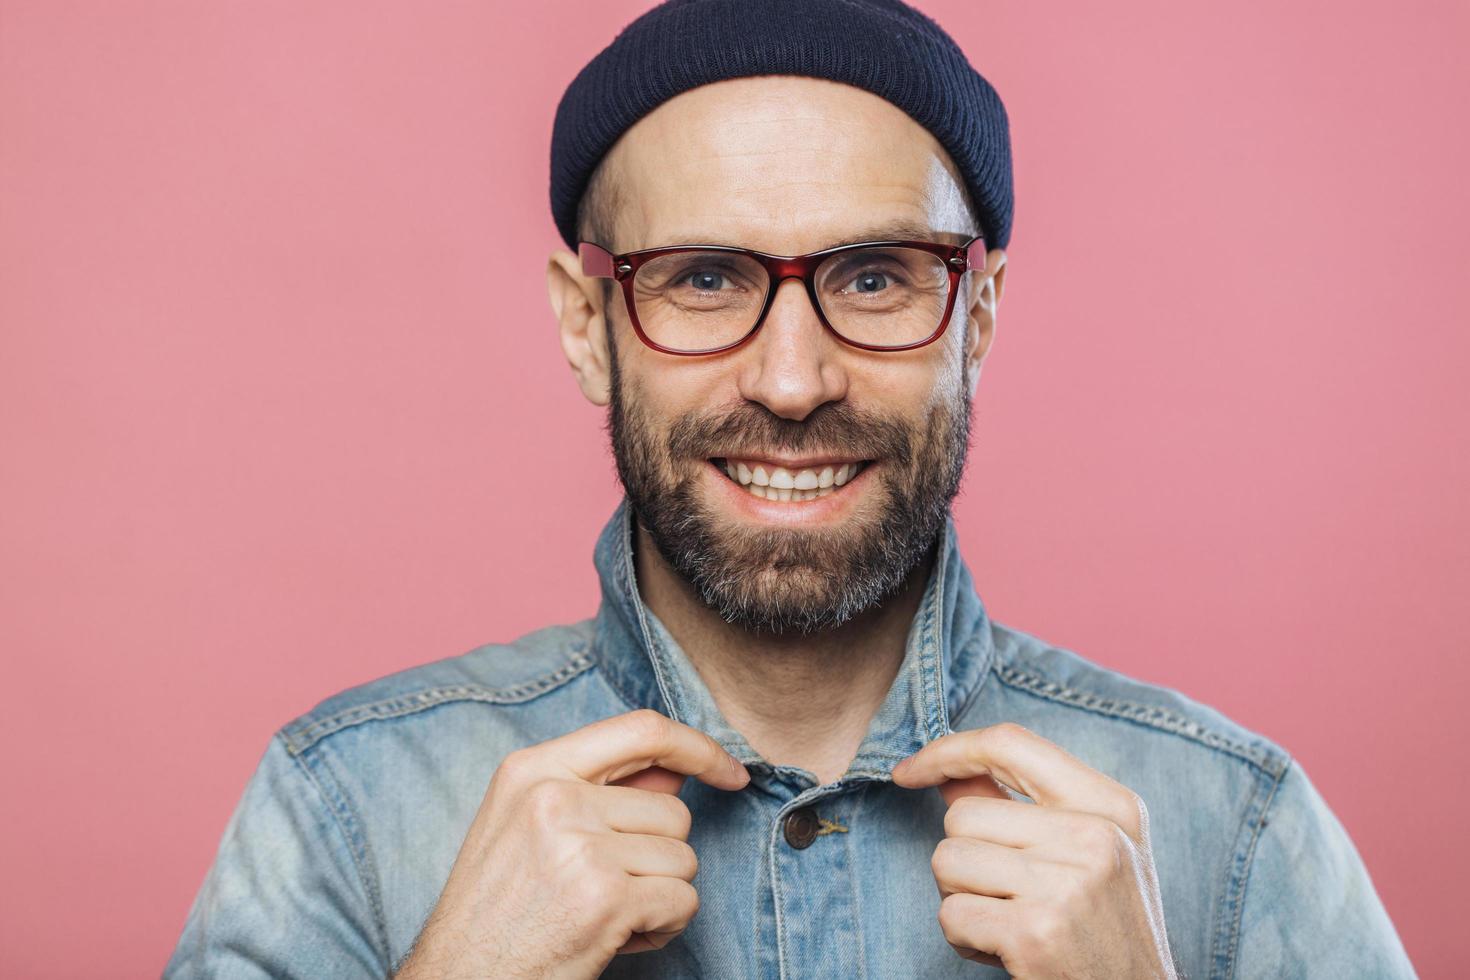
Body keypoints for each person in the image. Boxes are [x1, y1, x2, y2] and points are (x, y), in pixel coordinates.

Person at [165, 1, 1416, 977]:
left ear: (975, 319)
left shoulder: (1236, 825)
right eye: (704, 278)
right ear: (588, 327)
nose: (792, 377)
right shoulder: (345, 805)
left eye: (874, 276)